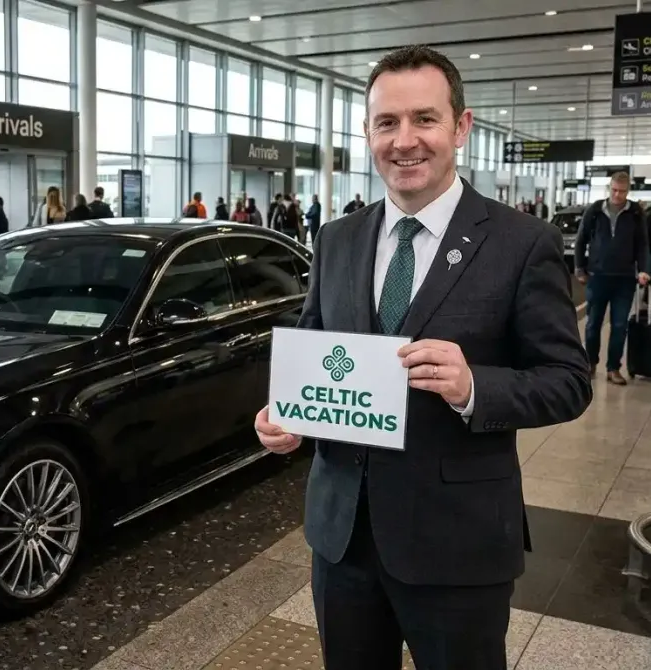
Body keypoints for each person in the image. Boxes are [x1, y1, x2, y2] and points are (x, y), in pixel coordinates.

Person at [253, 45, 592, 670]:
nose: (404, 141)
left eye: (424, 119)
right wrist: (286, 416)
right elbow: (316, 349)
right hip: (343, 539)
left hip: (457, 543)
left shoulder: (521, 243)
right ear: (368, 133)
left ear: (461, 127)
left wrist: (472, 388)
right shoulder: (337, 240)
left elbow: (568, 381)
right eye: (387, 123)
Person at [574, 171, 650, 385]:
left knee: (619, 325)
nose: (618, 195)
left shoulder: (636, 213)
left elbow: (643, 244)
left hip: (625, 279)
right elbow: (581, 240)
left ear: (628, 191)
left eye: (622, 191)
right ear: (609, 188)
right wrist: (580, 268)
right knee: (592, 325)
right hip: (597, 277)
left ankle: (613, 368)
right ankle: (589, 364)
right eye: (614, 190)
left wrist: (643, 269)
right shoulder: (596, 210)